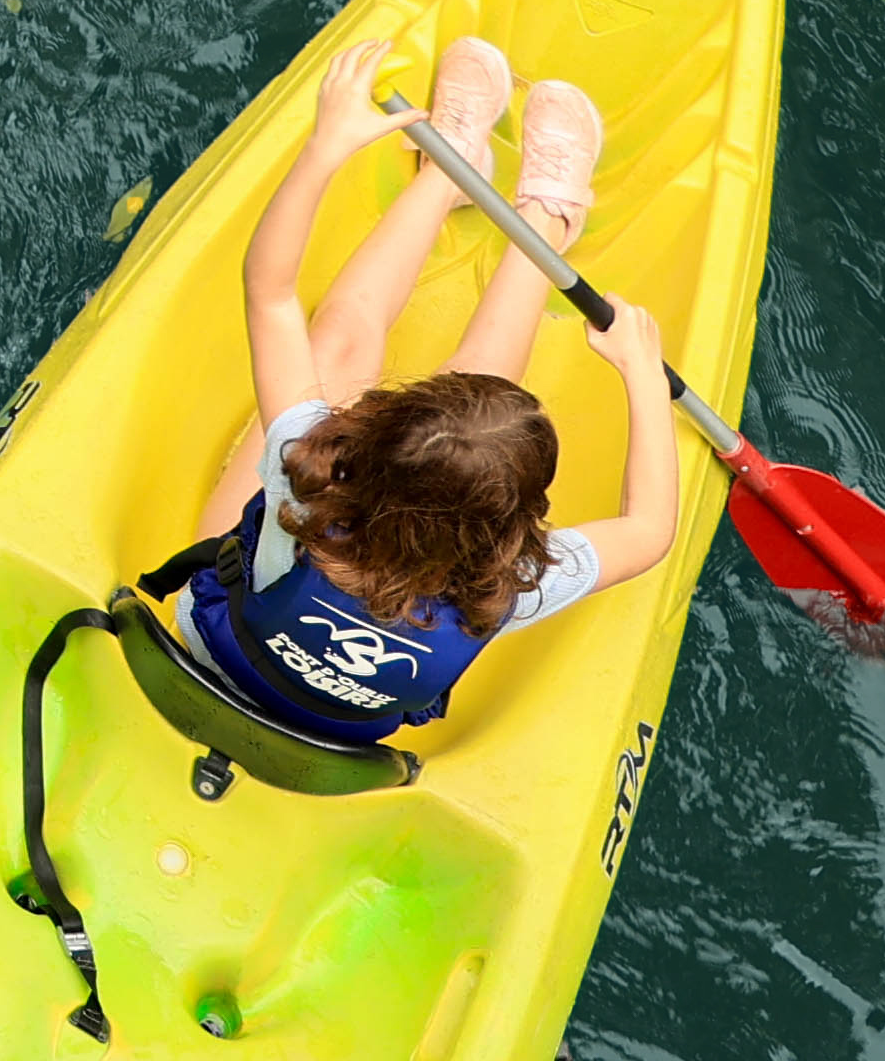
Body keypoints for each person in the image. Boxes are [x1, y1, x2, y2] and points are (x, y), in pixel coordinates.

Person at [165, 37, 686, 746]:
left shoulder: (304, 479)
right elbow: (650, 532)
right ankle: (540, 221)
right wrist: (642, 374)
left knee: (337, 340)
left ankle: (449, 173)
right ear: (518, 521)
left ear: (372, 435)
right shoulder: (513, 588)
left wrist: (324, 148)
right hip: (326, 729)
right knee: (485, 393)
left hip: (212, 652)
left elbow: (271, 292)